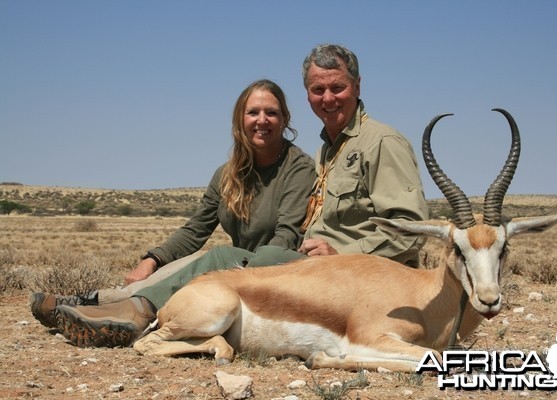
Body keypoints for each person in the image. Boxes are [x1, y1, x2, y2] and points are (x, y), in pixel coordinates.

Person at [52, 43, 430, 348]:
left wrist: (344, 255)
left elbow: (410, 228)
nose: (328, 97)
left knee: (222, 257)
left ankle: (133, 311)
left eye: (338, 87)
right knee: (198, 261)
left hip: (354, 277)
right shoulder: (328, 149)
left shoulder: (380, 142)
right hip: (321, 270)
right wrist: (151, 258)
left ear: (358, 86)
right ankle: (97, 303)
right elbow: (196, 227)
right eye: (318, 89)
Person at [30, 79, 316, 328]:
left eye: (271, 113)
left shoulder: (299, 167)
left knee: (206, 264)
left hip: (270, 271)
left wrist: (240, 272)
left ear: (285, 118)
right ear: (240, 119)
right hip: (236, 264)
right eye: (253, 112)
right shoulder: (227, 174)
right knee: (161, 275)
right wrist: (151, 259)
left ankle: (126, 316)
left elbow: (287, 236)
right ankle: (85, 305)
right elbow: (195, 230)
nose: (262, 120)